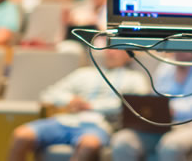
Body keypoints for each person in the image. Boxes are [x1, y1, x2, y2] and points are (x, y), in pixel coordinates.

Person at [8, 48, 148, 161]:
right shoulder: (85, 73)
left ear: (129, 54)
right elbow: (49, 94)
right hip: (66, 120)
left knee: (89, 144)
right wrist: (70, 100)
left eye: (117, 49)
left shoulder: (135, 78)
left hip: (98, 124)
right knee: (21, 135)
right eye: (109, 48)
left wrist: (91, 106)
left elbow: (137, 105)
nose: (111, 52)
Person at [111, 51, 192, 161]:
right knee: (122, 141)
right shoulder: (166, 65)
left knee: (172, 146)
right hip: (161, 125)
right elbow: (157, 99)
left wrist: (174, 108)